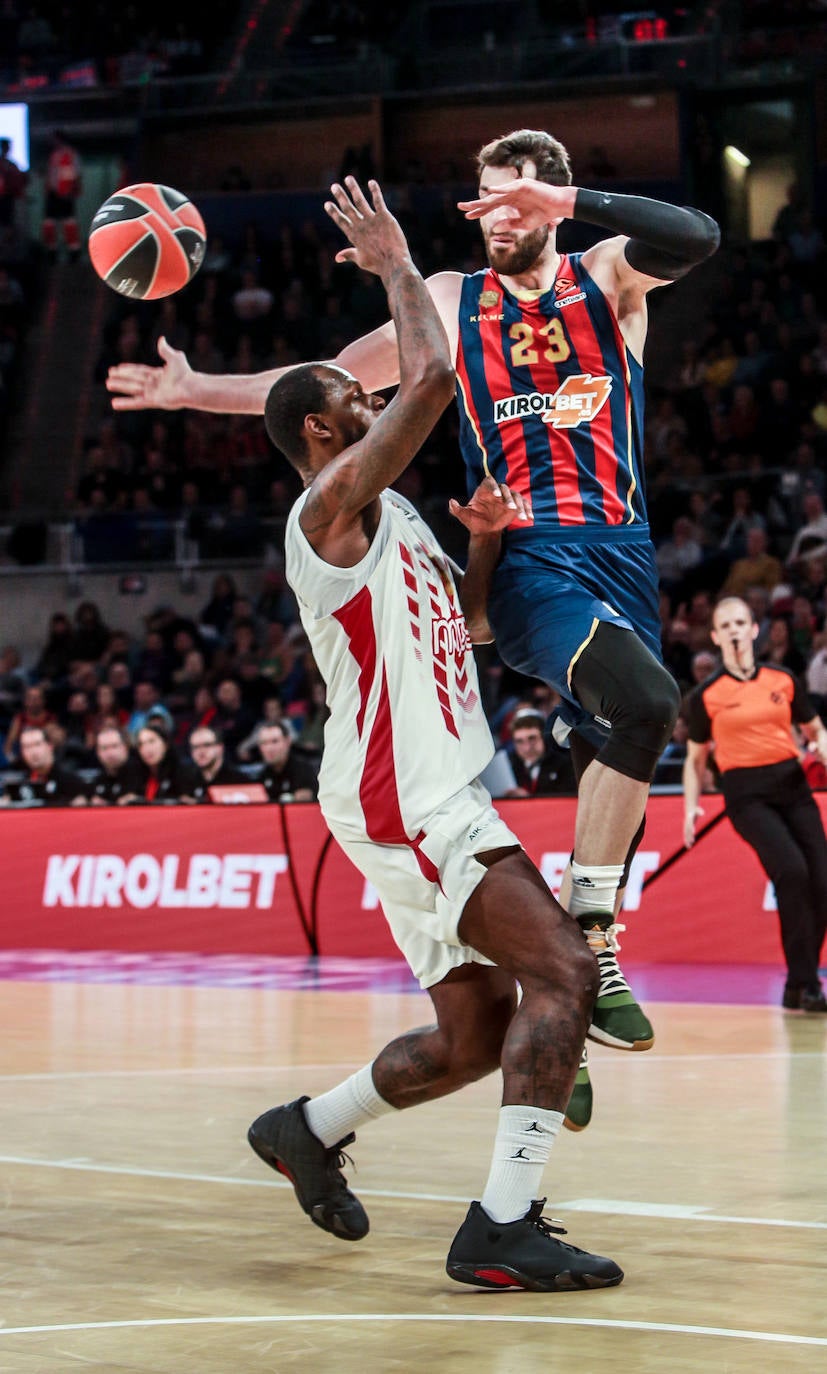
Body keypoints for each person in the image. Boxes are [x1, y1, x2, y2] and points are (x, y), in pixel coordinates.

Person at [106, 128, 720, 1071]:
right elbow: (326, 380)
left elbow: (696, 234)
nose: (487, 216)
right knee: (643, 702)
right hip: (523, 555)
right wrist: (198, 392)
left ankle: (571, 980)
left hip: (623, 552)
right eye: (478, 198)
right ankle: (588, 950)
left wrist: (570, 203)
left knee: (627, 732)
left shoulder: (606, 276)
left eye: (507, 199)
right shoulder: (449, 297)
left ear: (548, 200)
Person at [247, 175, 621, 1291]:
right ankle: (503, 1226)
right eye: (347, 399)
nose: (369, 401)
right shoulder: (323, 512)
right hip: (406, 793)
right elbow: (433, 373)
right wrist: (404, 266)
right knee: (563, 970)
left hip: (406, 790)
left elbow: (455, 619)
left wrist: (490, 545)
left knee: (470, 1037)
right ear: (323, 428)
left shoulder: (390, 514)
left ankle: (305, 1129)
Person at [683, 596, 827, 1013]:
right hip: (746, 795)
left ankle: (799, 984)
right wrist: (691, 807)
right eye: (724, 624)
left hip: (793, 785)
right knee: (793, 872)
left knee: (821, 878)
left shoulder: (782, 680)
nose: (733, 629)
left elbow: (814, 727)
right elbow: (695, 760)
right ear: (715, 636)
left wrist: (820, 746)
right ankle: (806, 984)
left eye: (740, 622)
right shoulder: (705, 696)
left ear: (752, 630)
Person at [0, 725, 86, 806]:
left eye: (37, 744)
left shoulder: (70, 781)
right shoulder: (19, 782)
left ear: (50, 745)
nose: (33, 751)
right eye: (26, 747)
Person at [503, 706, 576, 797]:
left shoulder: (565, 764)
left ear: (544, 737)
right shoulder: (507, 768)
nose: (527, 748)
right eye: (519, 741)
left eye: (532, 738)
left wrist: (527, 799)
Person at [42, 129, 82, 262]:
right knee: (50, 222)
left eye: (54, 139)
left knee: (68, 222)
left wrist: (70, 190)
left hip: (65, 193)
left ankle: (73, 252)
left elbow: (74, 174)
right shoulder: (54, 155)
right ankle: (52, 251)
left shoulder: (69, 154)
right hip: (53, 193)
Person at [254, 720, 317, 802]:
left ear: (287, 741)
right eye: (264, 743)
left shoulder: (304, 771)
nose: (269, 748)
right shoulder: (262, 777)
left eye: (274, 741)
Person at [187, 724, 247, 801]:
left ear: (220, 748)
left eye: (207, 745)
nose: (201, 752)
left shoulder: (239, 781)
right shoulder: (187, 782)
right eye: (195, 747)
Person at [87, 725, 144, 805]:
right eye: (104, 748)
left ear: (125, 747)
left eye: (114, 746)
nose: (110, 753)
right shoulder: (98, 780)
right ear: (97, 752)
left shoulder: (142, 774)